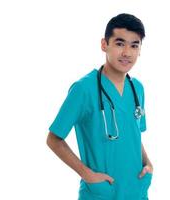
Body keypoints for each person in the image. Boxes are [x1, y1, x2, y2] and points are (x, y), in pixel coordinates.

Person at [47, 13, 153, 200]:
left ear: (140, 50)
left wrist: (148, 163)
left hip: (137, 190)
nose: (127, 52)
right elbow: (54, 139)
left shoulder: (138, 89)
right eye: (120, 43)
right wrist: (87, 174)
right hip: (102, 193)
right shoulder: (84, 89)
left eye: (134, 45)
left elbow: (133, 134)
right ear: (104, 44)